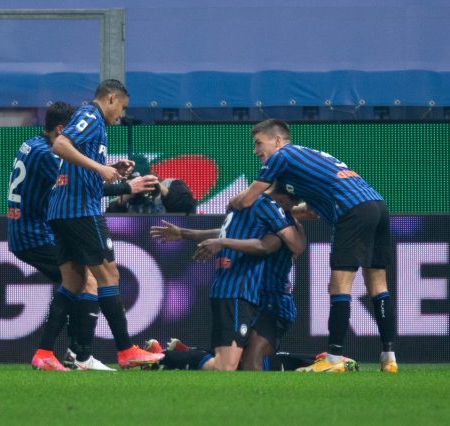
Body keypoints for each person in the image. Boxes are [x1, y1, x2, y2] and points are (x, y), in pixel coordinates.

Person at [229, 118, 397, 373]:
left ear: (277, 140)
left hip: (351, 211)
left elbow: (248, 199)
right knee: (378, 285)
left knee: (338, 286)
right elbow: (310, 211)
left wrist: (234, 202)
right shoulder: (307, 161)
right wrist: (288, 213)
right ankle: (389, 358)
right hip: (377, 206)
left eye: (258, 143)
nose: (255, 151)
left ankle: (334, 359)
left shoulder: (282, 155)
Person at [7, 101, 158, 371]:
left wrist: (109, 167)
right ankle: (81, 354)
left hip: (30, 228)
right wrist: (127, 186)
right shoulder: (50, 154)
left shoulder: (33, 145)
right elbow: (75, 183)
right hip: (36, 232)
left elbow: (77, 173)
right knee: (90, 281)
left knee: (75, 282)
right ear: (61, 129)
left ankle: (56, 353)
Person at [148, 183, 307, 371]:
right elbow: (279, 245)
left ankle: (182, 355)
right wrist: (217, 241)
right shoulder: (268, 208)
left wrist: (186, 234)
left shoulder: (255, 207)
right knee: (233, 364)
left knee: (239, 361)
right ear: (283, 198)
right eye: (293, 203)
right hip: (239, 290)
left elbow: (233, 234)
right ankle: (165, 358)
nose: (293, 207)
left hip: (262, 299)